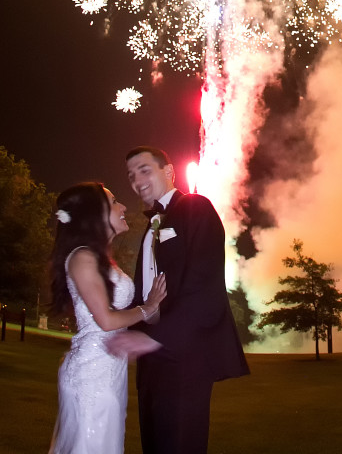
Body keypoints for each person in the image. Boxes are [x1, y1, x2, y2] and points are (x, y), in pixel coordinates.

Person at [107, 147, 249, 454]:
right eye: (131, 175)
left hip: (186, 357)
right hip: (151, 362)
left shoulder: (196, 207)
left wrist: (157, 339)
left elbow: (204, 287)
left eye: (144, 170)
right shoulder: (151, 226)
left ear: (169, 172)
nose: (136, 180)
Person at [49, 181, 167, 454]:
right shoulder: (82, 258)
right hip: (92, 375)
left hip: (109, 370)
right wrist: (147, 308)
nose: (124, 206)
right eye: (114, 201)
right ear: (94, 213)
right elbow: (105, 320)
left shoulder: (101, 258)